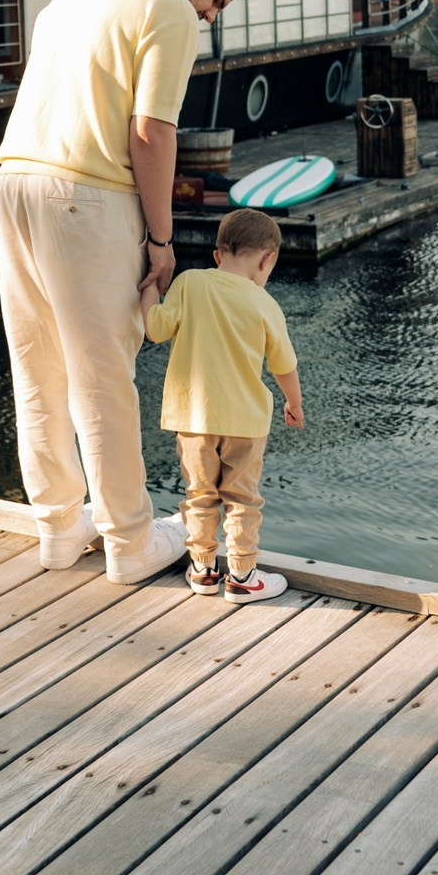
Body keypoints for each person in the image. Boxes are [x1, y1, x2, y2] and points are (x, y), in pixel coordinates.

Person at [0, 0, 245, 584]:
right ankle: (130, 540)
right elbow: (152, 133)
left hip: (15, 182)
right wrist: (161, 241)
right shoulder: (168, 7)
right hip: (86, 193)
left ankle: (56, 526)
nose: (210, 16)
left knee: (37, 367)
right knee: (103, 371)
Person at [143, 207, 302, 602]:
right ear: (268, 259)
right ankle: (244, 576)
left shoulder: (191, 283)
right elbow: (284, 364)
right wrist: (293, 403)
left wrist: (148, 287)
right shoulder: (265, 303)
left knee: (199, 494)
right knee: (243, 499)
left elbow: (155, 328)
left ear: (218, 254)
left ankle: (202, 570)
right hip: (246, 421)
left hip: (193, 417)